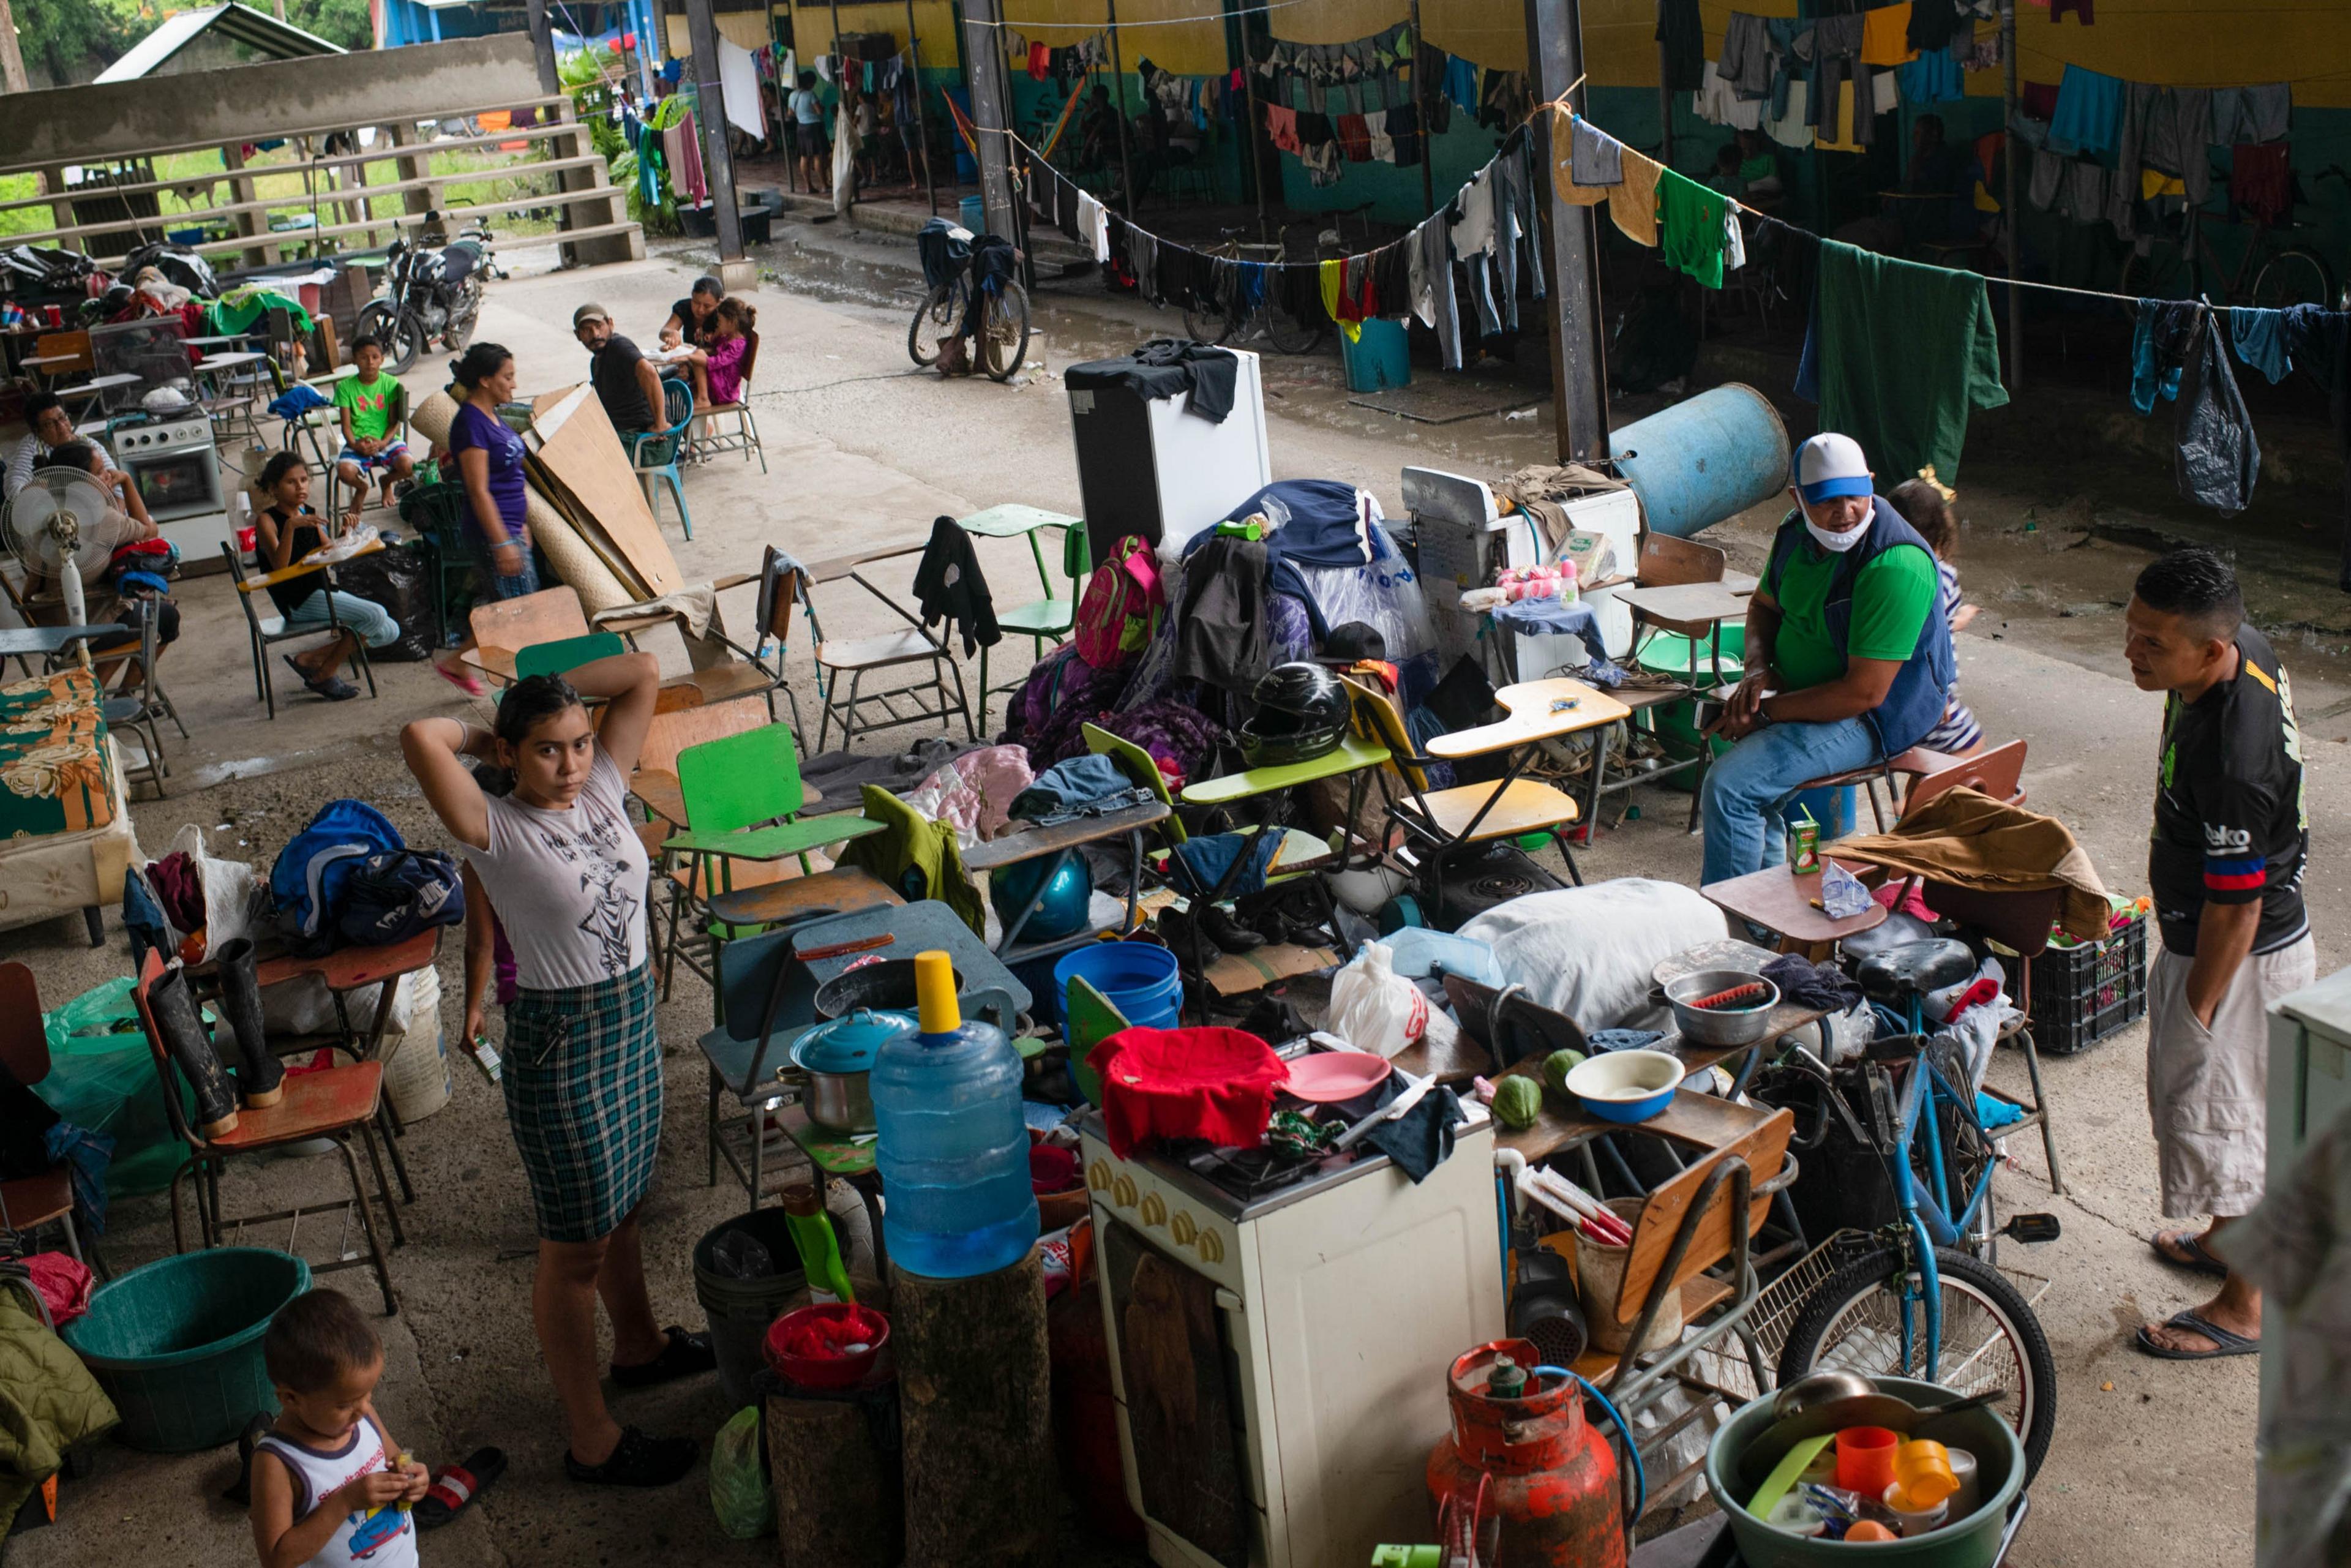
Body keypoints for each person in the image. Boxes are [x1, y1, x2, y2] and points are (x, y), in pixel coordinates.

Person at [400, 658, 712, 1487]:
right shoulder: (492, 826)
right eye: (546, 750)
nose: (571, 763)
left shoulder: (604, 786)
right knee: (574, 1246)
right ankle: (591, 1439)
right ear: (512, 754)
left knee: (625, 1205)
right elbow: (417, 735)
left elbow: (642, 672)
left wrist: (543, 688)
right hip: (561, 1045)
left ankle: (641, 1348)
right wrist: (490, 733)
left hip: (631, 1024)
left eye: (578, 743)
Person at [2124, 548, 2317, 1361]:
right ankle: (2224, 1240)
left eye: (2153, 644)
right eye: (2131, 630)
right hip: (2216, 934)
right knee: (2223, 1125)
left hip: (2240, 955)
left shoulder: (2236, 761)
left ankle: (2245, 1307)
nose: (2133, 651)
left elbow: (2235, 908)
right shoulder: (2235, 651)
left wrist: (2198, 1012)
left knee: (2235, 1126)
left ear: (2210, 648)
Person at [1700, 432, 1954, 885]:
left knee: (1731, 788)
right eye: (1825, 501)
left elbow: (1863, 692)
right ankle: (1764, 924)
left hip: (1879, 715)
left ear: (1871, 483)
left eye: (1855, 496)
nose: (1844, 513)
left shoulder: (1893, 563)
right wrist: (1757, 669)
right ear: (1798, 498)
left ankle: (1734, 933)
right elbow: (1763, 606)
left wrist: (1764, 715)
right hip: (1812, 692)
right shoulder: (1795, 533)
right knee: (1753, 788)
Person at [247, 1289, 430, 1568]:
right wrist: (344, 1503)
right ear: (291, 1399)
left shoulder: (360, 1416)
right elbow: (276, 1558)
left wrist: (413, 1477)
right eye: (345, 1405)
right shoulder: (277, 1463)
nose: (365, 1409)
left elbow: (396, 1459)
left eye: (369, 1395)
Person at [254, 452, 400, 703]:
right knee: (375, 615)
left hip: (321, 590)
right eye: (291, 482)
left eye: (303, 480)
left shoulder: (307, 512)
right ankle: (325, 672)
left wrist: (346, 534)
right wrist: (291, 527)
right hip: (297, 600)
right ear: (274, 488)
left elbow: (330, 552)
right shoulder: (267, 520)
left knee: (389, 631)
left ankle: (311, 658)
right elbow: (279, 568)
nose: (300, 486)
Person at [433, 343, 534, 697]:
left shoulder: (492, 415)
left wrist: (522, 526)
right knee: (520, 617)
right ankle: (522, 693)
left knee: (512, 612)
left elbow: (507, 478)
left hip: (510, 528)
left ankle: (461, 663)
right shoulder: (471, 423)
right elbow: (479, 491)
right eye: (507, 377)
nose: (514, 385)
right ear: (485, 380)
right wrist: (503, 541)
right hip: (495, 533)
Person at [1886, 476, 1982, 755]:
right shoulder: (1939, 575)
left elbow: (1926, 622)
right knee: (1970, 746)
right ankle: (1917, 802)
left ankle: (1916, 799)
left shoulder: (1887, 569)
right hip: (1923, 695)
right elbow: (1928, 638)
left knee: (1929, 767)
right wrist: (1937, 698)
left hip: (1893, 691)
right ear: (1940, 526)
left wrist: (1958, 619)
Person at [331, 336, 415, 531]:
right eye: (363, 358)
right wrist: (355, 445)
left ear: (382, 360)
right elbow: (346, 427)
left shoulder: (390, 383)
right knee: (344, 472)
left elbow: (394, 422)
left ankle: (386, 481)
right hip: (358, 441)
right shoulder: (345, 387)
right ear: (354, 360)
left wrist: (384, 443)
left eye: (375, 357)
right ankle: (362, 488)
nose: (370, 362)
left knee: (409, 466)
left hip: (387, 439)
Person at [572, 302, 662, 437]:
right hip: (620, 432)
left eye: (599, 326)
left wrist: (661, 425)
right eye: (586, 330)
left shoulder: (619, 346)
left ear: (610, 324)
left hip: (641, 436)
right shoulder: (596, 362)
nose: (595, 334)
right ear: (578, 335)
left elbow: (649, 372)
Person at [6, 389, 116, 498]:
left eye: (62, 418)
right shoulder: (32, 447)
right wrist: (54, 487)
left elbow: (116, 482)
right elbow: (13, 490)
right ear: (37, 431)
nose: (62, 427)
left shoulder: (89, 445)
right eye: (49, 424)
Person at [681, 296, 754, 416]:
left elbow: (716, 362)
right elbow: (714, 348)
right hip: (717, 383)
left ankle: (703, 399)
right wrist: (714, 336)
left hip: (725, 391)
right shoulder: (727, 337)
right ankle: (701, 398)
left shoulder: (738, 345)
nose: (718, 325)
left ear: (731, 322)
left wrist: (688, 357)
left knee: (699, 356)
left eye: (720, 322)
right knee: (682, 389)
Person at [787, 71, 830, 194]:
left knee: (804, 157)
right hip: (814, 127)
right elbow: (819, 111)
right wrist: (821, 108)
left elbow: (790, 113)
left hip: (801, 127)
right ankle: (824, 185)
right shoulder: (810, 95)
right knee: (818, 156)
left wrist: (802, 114)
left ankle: (808, 186)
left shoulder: (792, 95)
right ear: (810, 83)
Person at [661, 275, 724, 355]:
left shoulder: (723, 315)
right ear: (692, 295)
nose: (700, 310)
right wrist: (672, 333)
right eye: (696, 303)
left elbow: (730, 347)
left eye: (707, 306)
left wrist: (695, 351)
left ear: (719, 303)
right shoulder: (684, 307)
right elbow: (664, 331)